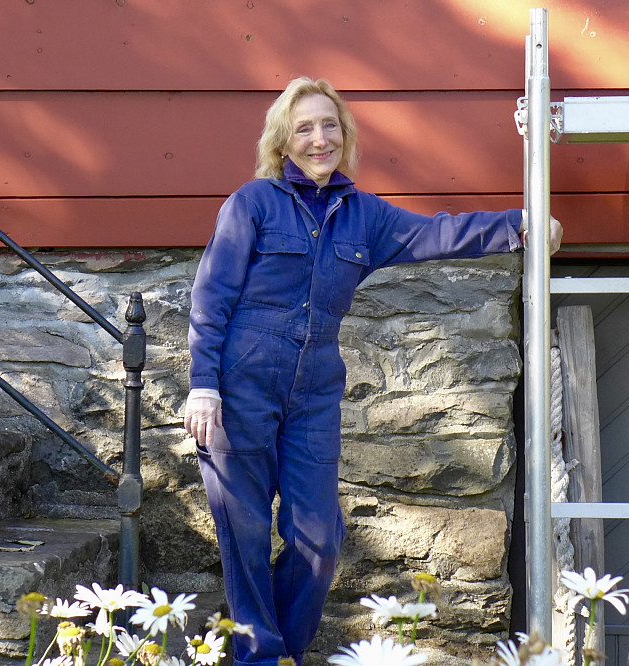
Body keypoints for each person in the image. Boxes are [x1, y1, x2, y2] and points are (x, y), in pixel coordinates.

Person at [184, 76, 562, 666]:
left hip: (314, 394)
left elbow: (434, 233)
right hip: (239, 389)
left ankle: (282, 650)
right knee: (247, 536)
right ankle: (261, 658)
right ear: (282, 141)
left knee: (320, 541)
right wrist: (203, 385)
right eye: (304, 127)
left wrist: (519, 224)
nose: (319, 138)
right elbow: (212, 299)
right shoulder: (251, 204)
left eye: (329, 125)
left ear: (345, 136)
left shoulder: (363, 217)